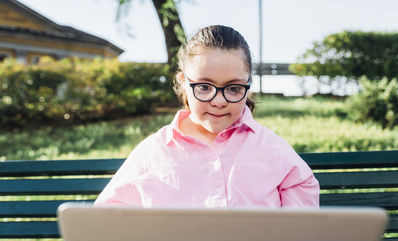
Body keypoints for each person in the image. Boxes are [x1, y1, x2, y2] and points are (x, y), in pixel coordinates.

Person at [95, 25, 319, 208]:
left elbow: (301, 221)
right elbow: (108, 218)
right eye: (204, 87)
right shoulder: (153, 152)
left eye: (233, 88)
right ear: (183, 81)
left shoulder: (272, 150)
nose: (219, 101)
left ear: (247, 86)